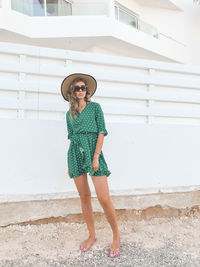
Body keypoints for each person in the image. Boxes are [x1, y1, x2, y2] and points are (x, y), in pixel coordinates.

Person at [61, 73, 120, 258]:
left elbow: (101, 131)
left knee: (104, 198)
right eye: (77, 88)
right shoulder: (69, 113)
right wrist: (71, 162)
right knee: (84, 197)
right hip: (75, 154)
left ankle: (116, 236)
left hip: (93, 152)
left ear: (87, 91)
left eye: (83, 87)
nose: (80, 90)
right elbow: (71, 137)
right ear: (72, 91)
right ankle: (92, 235)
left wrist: (95, 157)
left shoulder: (95, 107)